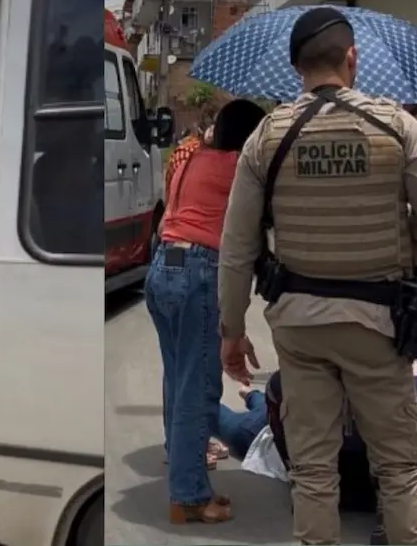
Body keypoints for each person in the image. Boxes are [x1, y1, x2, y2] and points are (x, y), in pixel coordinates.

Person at [217, 7, 417, 545]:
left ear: (293, 66)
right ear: (353, 58)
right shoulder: (396, 125)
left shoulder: (265, 138)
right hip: (380, 323)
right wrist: (397, 234)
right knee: (398, 467)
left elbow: (237, 250)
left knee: (312, 467)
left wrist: (231, 331)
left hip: (299, 325)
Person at [147, 98, 266, 524]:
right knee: (197, 390)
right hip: (197, 270)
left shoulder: (193, 158)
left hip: (164, 267)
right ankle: (190, 497)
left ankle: (187, 481)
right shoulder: (241, 168)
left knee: (178, 381)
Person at [218, 334, 417, 525]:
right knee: (239, 431)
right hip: (298, 424)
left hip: (337, 437)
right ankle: (228, 399)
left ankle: (250, 396)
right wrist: (299, 478)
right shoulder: (327, 359)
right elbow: (279, 395)